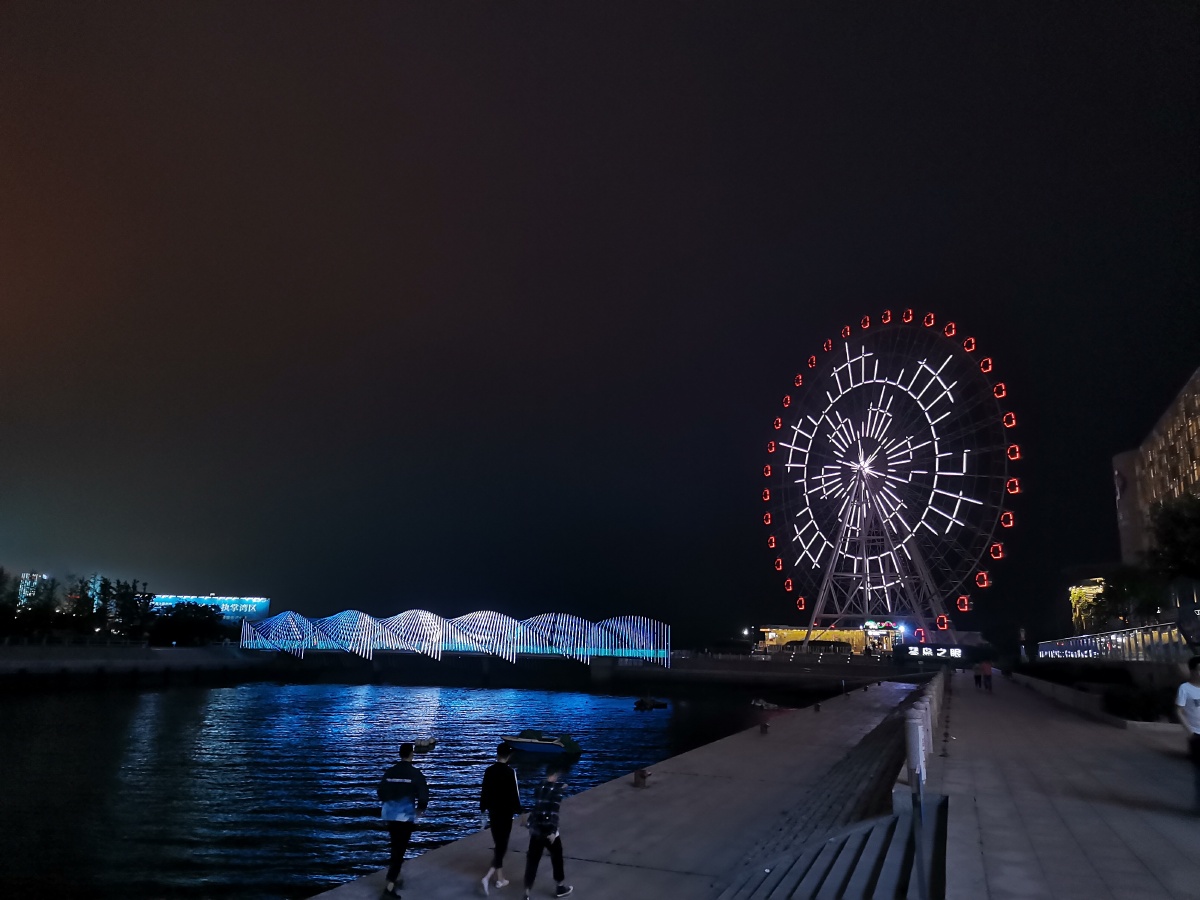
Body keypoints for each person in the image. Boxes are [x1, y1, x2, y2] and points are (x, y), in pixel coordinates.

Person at [377, 742, 429, 898]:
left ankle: (394, 878)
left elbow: (380, 792)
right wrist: (420, 810)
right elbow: (423, 795)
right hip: (405, 817)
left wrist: (390, 802)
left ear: (400, 754)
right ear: (411, 755)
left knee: (395, 846)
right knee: (399, 850)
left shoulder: (390, 772)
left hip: (390, 815)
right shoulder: (415, 773)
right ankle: (390, 887)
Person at [523, 762, 573, 899]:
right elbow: (553, 811)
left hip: (536, 830)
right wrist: (552, 830)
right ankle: (560, 887)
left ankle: (526, 893)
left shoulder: (538, 787)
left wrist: (530, 824)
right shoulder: (557, 790)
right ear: (556, 775)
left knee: (532, 861)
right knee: (557, 857)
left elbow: (537, 806)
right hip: (548, 830)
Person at [480, 742, 524, 896]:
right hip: (506, 813)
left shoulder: (489, 771)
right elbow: (514, 794)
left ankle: (500, 878)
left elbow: (484, 791)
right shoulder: (510, 772)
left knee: (499, 844)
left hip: (493, 813)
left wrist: (482, 809)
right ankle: (488, 877)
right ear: (509, 755)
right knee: (502, 846)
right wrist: (520, 812)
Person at [1175, 655, 1200, 813]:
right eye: (1199, 670)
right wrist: (1190, 732)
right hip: (1196, 736)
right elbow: (1179, 711)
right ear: (1192, 671)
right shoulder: (1185, 688)